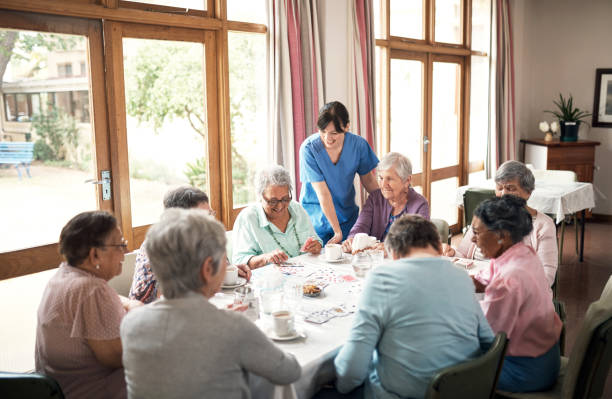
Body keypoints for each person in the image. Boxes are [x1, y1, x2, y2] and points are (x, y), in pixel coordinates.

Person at [121, 208, 301, 398]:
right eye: (224, 258)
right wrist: (237, 327)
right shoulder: (233, 327)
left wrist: (224, 321)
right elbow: (290, 372)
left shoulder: (131, 324)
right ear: (208, 268)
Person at [334, 215, 494, 398]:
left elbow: (351, 371)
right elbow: (489, 341)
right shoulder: (462, 277)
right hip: (464, 391)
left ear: (393, 254)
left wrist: (340, 385)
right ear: (438, 247)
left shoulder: (382, 279)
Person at [35, 211, 142, 399]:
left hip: (58, 389)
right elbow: (118, 358)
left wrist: (130, 304)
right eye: (120, 245)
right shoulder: (92, 290)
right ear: (94, 255)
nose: (125, 251)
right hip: (90, 392)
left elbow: (111, 300)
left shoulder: (64, 276)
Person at [471, 195, 562, 392]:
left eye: (477, 232)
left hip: (525, 372)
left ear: (501, 235)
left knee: (443, 357)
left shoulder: (509, 281)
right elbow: (486, 276)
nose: (472, 239)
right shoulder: (524, 253)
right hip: (545, 357)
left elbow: (487, 335)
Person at [444, 160, 558, 286]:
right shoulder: (485, 216)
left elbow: (546, 278)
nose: (503, 194)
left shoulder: (543, 225)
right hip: (477, 284)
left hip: (516, 293)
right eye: (499, 188)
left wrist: (499, 284)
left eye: (510, 188)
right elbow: (464, 256)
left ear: (528, 192)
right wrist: (452, 253)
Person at [129, 185, 251, 303]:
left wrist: (230, 269)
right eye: (202, 218)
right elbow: (141, 298)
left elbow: (217, 268)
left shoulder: (206, 238)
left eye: (210, 214)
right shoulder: (157, 245)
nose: (210, 222)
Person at [299, 101, 379, 244]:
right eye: (323, 132)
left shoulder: (358, 145)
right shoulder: (309, 149)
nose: (327, 138)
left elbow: (368, 180)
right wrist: (337, 232)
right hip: (315, 220)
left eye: (334, 133)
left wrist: (389, 202)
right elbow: (323, 193)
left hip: (347, 217)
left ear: (347, 127)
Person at [233, 165, 322, 268]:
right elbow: (239, 262)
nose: (280, 206)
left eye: (285, 199)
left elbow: (316, 240)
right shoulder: (247, 219)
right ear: (260, 196)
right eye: (273, 201)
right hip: (267, 281)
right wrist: (265, 258)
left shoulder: (297, 209)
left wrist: (316, 246)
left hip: (304, 276)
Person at [342, 152, 429, 253]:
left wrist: (392, 247)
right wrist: (352, 239)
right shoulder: (375, 198)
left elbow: (421, 241)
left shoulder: (420, 204)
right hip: (375, 262)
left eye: (390, 179)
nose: (383, 184)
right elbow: (361, 226)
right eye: (381, 178)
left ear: (407, 181)